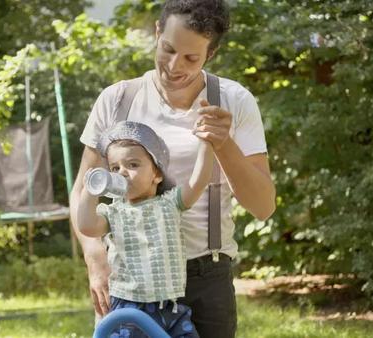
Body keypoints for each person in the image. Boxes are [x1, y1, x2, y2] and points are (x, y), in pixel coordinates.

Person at [70, 1, 276, 337]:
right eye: (167, 49)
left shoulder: (234, 101)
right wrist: (96, 259)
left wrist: (224, 144)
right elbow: (83, 189)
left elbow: (263, 206)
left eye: (191, 58)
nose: (174, 65)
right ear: (157, 31)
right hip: (130, 280)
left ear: (210, 54)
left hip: (206, 278)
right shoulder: (117, 99)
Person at [77, 120, 214, 337]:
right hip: (129, 305)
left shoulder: (170, 204)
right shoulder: (114, 212)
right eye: (115, 168)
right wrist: (89, 190)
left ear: (157, 174)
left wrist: (207, 144)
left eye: (132, 165)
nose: (122, 172)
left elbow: (198, 182)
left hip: (170, 307)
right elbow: (86, 226)